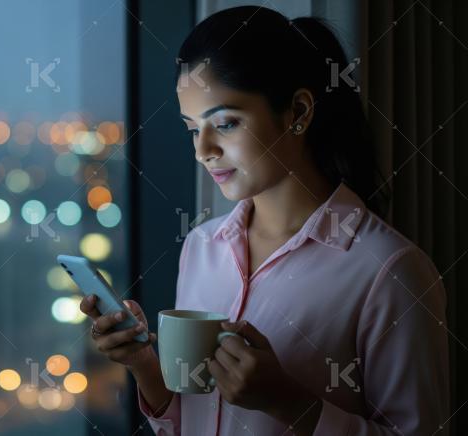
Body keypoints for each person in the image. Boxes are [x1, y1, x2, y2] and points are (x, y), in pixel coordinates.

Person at [79, 6, 449, 435]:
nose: (204, 150)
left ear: (298, 112)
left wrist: (291, 404)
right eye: (192, 129)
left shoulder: (390, 271)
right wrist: (143, 364)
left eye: (225, 123)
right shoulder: (202, 246)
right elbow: (195, 420)